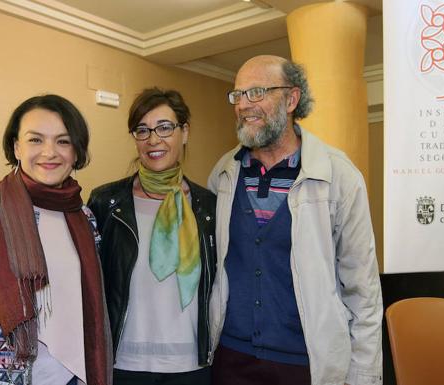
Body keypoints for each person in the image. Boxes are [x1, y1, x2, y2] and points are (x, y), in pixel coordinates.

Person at [207, 55, 383, 385]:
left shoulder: (338, 176)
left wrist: (363, 377)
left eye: (257, 92)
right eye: (238, 95)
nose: (244, 105)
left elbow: (364, 293)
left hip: (305, 366)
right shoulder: (224, 174)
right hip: (230, 361)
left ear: (291, 99)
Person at [0, 95, 112, 385]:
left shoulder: (85, 219)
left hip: (72, 377)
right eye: (36, 140)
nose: (50, 152)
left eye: (63, 141)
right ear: (16, 147)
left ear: (77, 152)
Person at [87, 88, 216, 385]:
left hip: (192, 365)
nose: (153, 140)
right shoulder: (106, 203)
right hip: (125, 364)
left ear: (185, 133)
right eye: (142, 130)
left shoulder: (208, 206)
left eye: (165, 127)